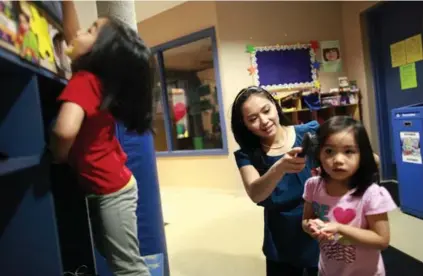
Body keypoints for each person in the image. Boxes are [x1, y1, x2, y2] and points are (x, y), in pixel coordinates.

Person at [50, 17, 155, 276]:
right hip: (106, 188)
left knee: (128, 268)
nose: (80, 32)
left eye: (91, 30)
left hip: (113, 191)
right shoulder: (93, 78)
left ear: (100, 52)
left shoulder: (84, 80)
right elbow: (75, 37)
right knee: (113, 255)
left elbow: (64, 131)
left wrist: (57, 157)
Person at [231, 86, 319, 276]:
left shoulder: (310, 133)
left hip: (321, 230)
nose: (264, 121)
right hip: (281, 239)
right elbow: (255, 194)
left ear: (275, 106)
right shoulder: (246, 155)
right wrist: (279, 168)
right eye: (253, 119)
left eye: (266, 110)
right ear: (244, 124)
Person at [302, 116, 397, 276]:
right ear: (319, 154)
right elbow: (305, 220)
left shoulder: (371, 194)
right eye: (329, 151)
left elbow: (382, 240)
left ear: (362, 155)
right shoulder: (313, 186)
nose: (338, 160)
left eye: (349, 151)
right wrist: (310, 227)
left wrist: (339, 228)